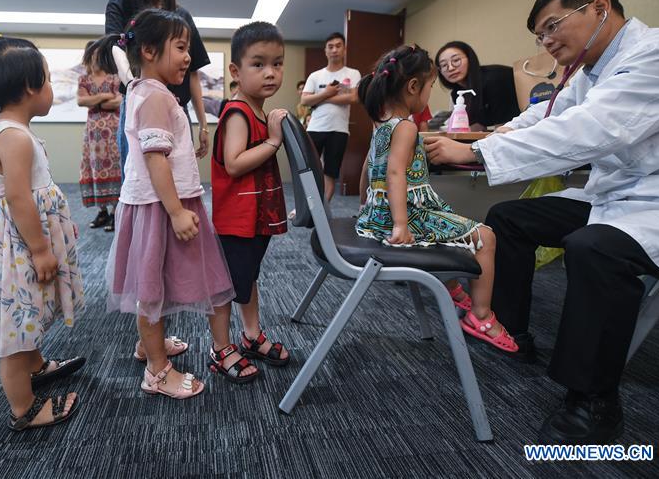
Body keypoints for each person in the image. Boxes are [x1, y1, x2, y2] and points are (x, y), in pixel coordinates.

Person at [425, 0, 659, 444]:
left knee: (596, 248)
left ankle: (592, 403)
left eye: (551, 27)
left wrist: (477, 154)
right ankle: (509, 332)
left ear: (598, 9)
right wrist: (490, 134)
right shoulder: (592, 73)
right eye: (538, 35)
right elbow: (547, 116)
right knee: (509, 218)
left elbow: (593, 129)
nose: (545, 42)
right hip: (617, 196)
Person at [105, 8, 236, 399]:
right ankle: (157, 371)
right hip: (160, 207)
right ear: (148, 50)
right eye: (181, 48)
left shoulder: (151, 93)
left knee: (156, 279)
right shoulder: (154, 97)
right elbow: (154, 158)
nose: (188, 57)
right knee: (151, 287)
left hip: (162, 203)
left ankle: (150, 345)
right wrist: (177, 210)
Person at [355, 44, 518, 353]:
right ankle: (480, 316)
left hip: (377, 216)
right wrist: (401, 224)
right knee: (485, 237)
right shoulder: (405, 127)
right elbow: (394, 174)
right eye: (430, 87)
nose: (429, 94)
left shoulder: (381, 125)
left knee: (447, 228)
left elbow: (368, 166)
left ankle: (452, 287)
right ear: (413, 87)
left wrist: (364, 205)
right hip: (403, 217)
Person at [0, 21, 85, 431]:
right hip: (18, 247)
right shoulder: (14, 137)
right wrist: (40, 248)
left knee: (29, 311)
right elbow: (18, 198)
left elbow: (36, 195)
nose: (52, 87)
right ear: (31, 86)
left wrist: (59, 232)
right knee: (16, 328)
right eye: (49, 79)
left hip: (22, 241)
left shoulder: (14, 131)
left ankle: (36, 364)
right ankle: (24, 407)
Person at [211, 21, 291, 381]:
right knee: (227, 285)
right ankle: (220, 348)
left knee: (248, 277)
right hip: (236, 221)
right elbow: (234, 162)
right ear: (235, 71)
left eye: (277, 63)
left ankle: (251, 334)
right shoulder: (239, 112)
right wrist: (273, 142)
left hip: (253, 219)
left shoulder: (258, 110)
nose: (271, 72)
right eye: (258, 64)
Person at [106, 0, 212, 170]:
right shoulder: (119, 7)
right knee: (137, 181)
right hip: (137, 106)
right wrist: (137, 90)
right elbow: (115, 52)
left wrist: (203, 124)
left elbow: (193, 72)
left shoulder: (181, 15)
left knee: (180, 180)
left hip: (176, 107)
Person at [300, 32, 360, 200]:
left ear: (344, 49)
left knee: (330, 173)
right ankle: (304, 207)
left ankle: (322, 211)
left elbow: (354, 97)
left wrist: (322, 97)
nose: (334, 50)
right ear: (325, 51)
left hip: (339, 131)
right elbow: (304, 99)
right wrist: (328, 92)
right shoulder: (315, 75)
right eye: (330, 47)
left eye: (338, 46)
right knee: (309, 169)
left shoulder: (353, 74)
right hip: (315, 129)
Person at [77, 37, 123, 232]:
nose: (95, 58)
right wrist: (104, 97)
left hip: (113, 132)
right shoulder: (84, 79)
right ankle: (102, 211)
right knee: (94, 169)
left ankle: (115, 213)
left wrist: (94, 101)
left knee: (115, 168)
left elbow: (119, 101)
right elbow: (80, 101)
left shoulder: (114, 76)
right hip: (93, 135)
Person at [435, 41, 520, 130]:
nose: (451, 68)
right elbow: (477, 128)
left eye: (456, 60)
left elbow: (504, 128)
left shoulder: (495, 79)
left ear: (470, 59)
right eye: (444, 65)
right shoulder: (457, 93)